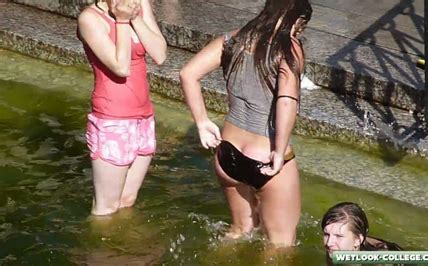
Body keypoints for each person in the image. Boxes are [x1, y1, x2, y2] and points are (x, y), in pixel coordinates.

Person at [180, 0, 312, 247]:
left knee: (240, 231)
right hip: (264, 155)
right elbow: (286, 101)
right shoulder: (289, 46)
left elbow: (188, 74)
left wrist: (202, 122)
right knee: (280, 246)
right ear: (298, 21)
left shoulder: (233, 39)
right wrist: (280, 152)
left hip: (227, 154)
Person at [77, 0, 167, 215]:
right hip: (112, 119)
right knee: (106, 207)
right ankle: (95, 248)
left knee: (127, 199)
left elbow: (160, 55)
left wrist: (135, 17)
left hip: (143, 116)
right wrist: (122, 21)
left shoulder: (139, 4)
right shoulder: (90, 18)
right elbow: (121, 66)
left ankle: (121, 248)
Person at [322, 202, 403, 264]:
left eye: (339, 236)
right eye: (327, 234)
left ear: (357, 240)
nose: (329, 243)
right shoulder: (335, 248)